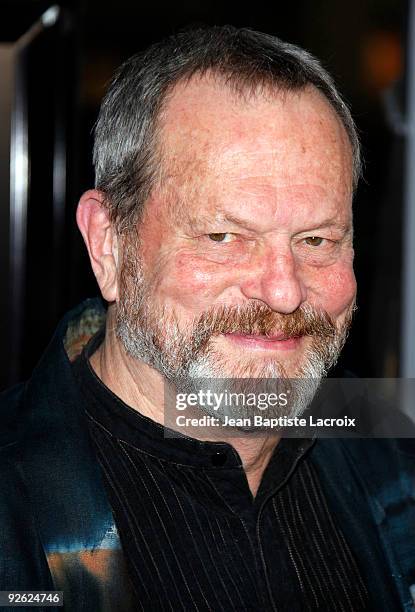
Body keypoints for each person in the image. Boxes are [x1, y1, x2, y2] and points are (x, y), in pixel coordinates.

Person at [1, 25, 414, 612]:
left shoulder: (391, 452)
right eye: (224, 236)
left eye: (318, 240)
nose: (283, 292)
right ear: (108, 245)